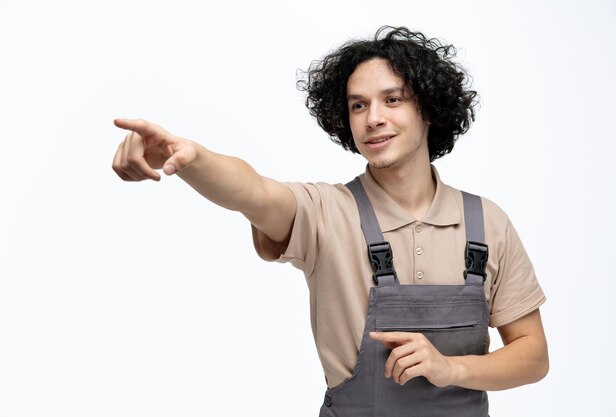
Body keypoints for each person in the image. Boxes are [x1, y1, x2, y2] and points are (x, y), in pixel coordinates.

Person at [112, 26, 548, 416]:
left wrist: (450, 368)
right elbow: (253, 191)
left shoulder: (486, 223)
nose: (373, 118)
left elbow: (533, 355)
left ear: (428, 109)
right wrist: (191, 159)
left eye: (391, 99)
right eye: (359, 105)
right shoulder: (326, 212)